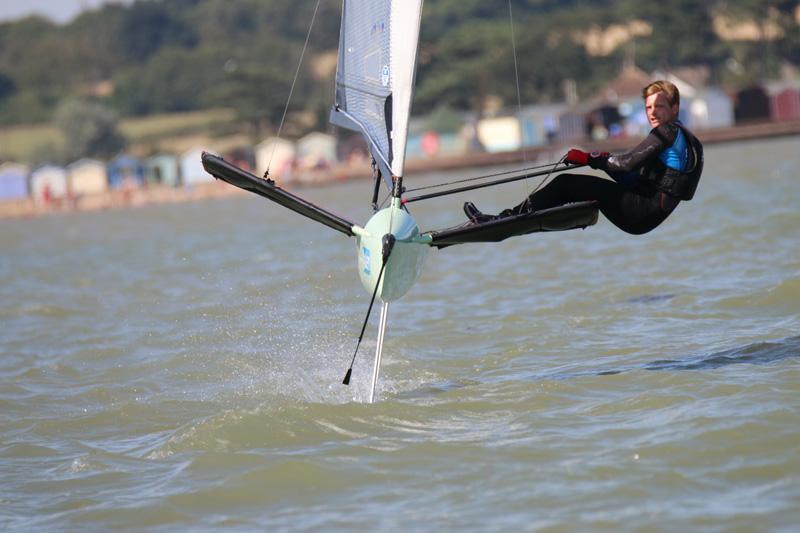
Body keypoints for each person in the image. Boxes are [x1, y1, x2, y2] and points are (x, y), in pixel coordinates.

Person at [464, 80, 704, 235]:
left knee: (566, 183)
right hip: (646, 213)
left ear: (674, 108)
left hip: (640, 210)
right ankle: (517, 220)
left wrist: (590, 158)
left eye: (659, 107)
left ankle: (501, 221)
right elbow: (632, 176)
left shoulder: (666, 131)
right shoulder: (689, 140)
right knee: (578, 188)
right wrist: (601, 162)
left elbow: (626, 164)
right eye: (648, 107)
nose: (652, 113)